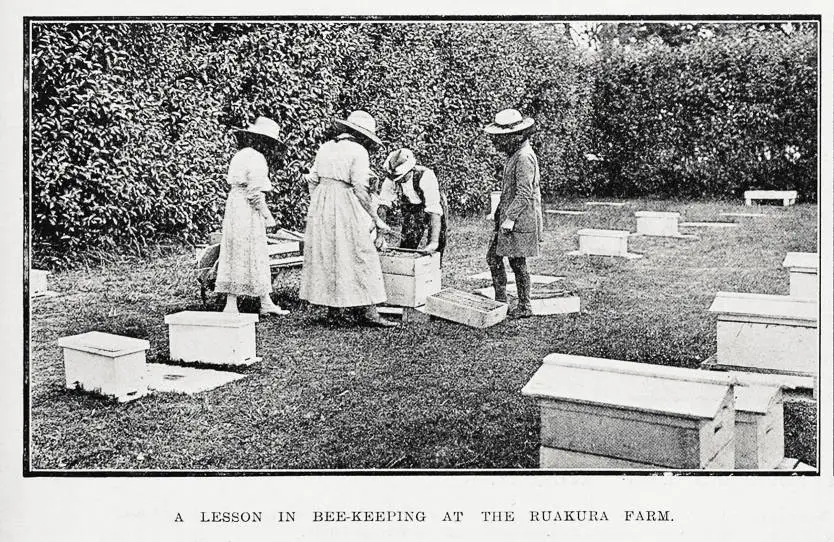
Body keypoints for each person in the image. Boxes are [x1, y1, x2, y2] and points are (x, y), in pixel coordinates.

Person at [299, 110, 396, 327]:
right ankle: (369, 312)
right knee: (361, 252)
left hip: (322, 204)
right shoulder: (358, 151)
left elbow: (312, 179)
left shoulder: (325, 147)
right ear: (361, 135)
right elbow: (361, 189)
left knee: (330, 254)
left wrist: (319, 203)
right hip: (345, 202)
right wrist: (375, 217)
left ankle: (335, 311)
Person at [215, 116, 289, 316]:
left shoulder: (240, 155)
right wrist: (268, 216)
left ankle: (260, 301)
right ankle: (234, 305)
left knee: (237, 251)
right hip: (247, 210)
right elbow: (255, 193)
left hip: (235, 206)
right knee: (251, 250)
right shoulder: (257, 158)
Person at [484, 108, 543, 319]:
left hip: (520, 219)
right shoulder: (515, 155)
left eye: (500, 139)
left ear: (514, 137)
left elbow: (524, 192)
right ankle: (502, 301)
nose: (497, 143)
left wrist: (509, 218)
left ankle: (524, 305)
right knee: (494, 257)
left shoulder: (524, 157)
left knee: (517, 262)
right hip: (510, 217)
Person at [377, 148, 448, 262]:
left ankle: (433, 273)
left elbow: (434, 210)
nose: (398, 181)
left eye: (401, 178)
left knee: (437, 246)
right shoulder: (391, 178)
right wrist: (380, 236)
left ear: (410, 170)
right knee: (407, 244)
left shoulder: (426, 176)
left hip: (433, 205)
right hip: (412, 206)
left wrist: (433, 242)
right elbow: (382, 206)